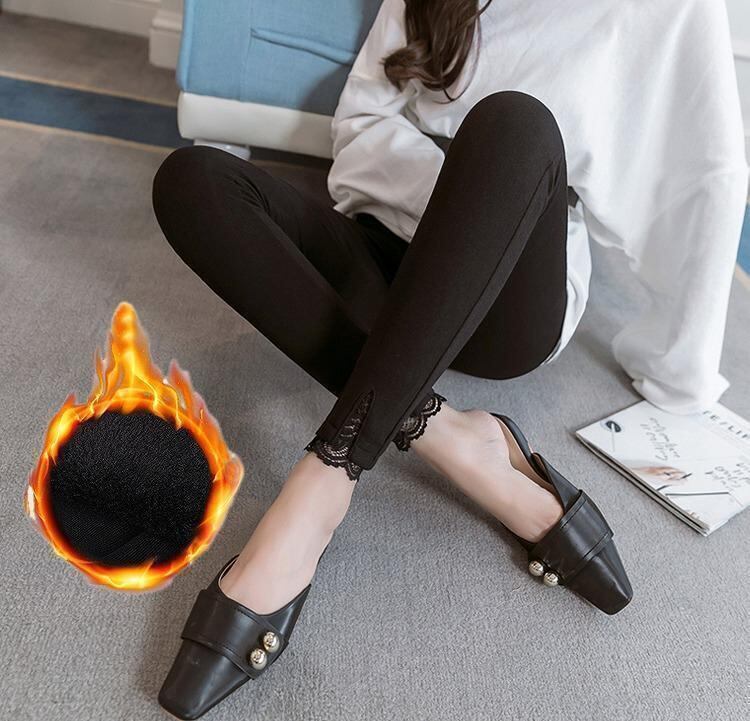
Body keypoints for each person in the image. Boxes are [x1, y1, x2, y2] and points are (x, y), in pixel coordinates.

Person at [151, 1, 747, 717]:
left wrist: (680, 370)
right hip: (383, 249)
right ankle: (457, 440)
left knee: (515, 123)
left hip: (506, 293)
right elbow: (362, 120)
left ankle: (320, 487)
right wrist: (447, 195)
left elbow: (710, 176)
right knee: (192, 179)